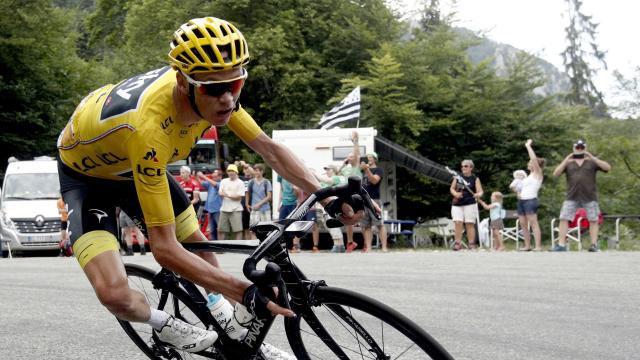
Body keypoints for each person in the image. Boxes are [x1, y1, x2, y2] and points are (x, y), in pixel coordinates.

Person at [56, 17, 362, 355]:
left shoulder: (213, 90)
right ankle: (165, 325)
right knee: (114, 294)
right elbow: (165, 249)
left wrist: (327, 194)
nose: (228, 99)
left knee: (198, 245)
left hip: (133, 163)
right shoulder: (150, 129)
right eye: (216, 89)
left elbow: (269, 150)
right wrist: (243, 290)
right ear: (183, 83)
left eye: (236, 85)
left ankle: (229, 325)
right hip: (88, 179)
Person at [552, 139, 611, 252]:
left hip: (589, 196)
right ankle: (561, 245)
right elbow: (556, 173)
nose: (579, 149)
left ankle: (594, 244)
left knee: (593, 220)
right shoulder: (569, 163)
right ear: (573, 148)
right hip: (572, 196)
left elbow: (607, 167)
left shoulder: (592, 162)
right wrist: (566, 159)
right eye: (577, 147)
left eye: (581, 147)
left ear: (585, 147)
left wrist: (592, 157)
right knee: (564, 218)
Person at [517, 139, 545, 251]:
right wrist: (518, 193)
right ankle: (527, 245)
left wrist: (528, 146)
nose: (529, 163)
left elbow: (533, 158)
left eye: (531, 162)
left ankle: (538, 246)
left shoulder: (538, 174)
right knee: (523, 224)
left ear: (536, 165)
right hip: (522, 201)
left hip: (530, 201)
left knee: (533, 223)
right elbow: (522, 188)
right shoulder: (528, 176)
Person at [449, 159, 484, 250]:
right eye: (462, 166)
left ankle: (471, 244)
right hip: (457, 203)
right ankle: (457, 244)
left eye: (465, 166)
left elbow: (480, 191)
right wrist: (456, 194)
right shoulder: (458, 177)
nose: (463, 168)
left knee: (469, 223)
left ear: (471, 168)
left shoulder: (474, 178)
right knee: (458, 222)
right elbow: (452, 189)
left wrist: (478, 194)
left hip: (470, 203)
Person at [338, 130, 362, 252]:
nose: (350, 157)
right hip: (348, 196)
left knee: (359, 219)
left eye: (351, 156)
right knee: (348, 221)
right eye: (349, 156)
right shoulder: (346, 169)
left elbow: (357, 154)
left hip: (358, 196)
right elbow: (336, 173)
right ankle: (350, 243)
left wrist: (356, 141)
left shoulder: (356, 166)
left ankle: (365, 245)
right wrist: (343, 164)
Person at [314, 164, 347, 252]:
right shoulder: (327, 181)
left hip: (334, 205)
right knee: (328, 225)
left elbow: (327, 181)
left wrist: (315, 174)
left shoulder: (337, 178)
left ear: (334, 170)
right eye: (326, 169)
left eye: (329, 169)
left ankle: (339, 245)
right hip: (327, 207)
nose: (327, 171)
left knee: (333, 224)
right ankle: (338, 245)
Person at [360, 152, 387, 252]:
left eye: (370, 157)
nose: (368, 159)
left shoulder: (378, 170)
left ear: (375, 159)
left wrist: (367, 169)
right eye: (367, 158)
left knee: (379, 224)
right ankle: (369, 248)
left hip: (374, 200)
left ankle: (384, 247)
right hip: (364, 200)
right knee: (366, 226)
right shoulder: (362, 170)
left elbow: (374, 181)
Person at [218, 164, 246, 240]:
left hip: (236, 209)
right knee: (221, 230)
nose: (230, 173)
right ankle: (220, 248)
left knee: (238, 230)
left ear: (236, 172)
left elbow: (239, 197)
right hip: (224, 209)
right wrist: (232, 195)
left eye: (232, 171)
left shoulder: (240, 183)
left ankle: (238, 249)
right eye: (229, 171)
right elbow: (220, 193)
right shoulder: (224, 181)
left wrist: (227, 195)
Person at [245, 163, 272, 239]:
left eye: (258, 171)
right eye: (255, 170)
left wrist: (260, 204)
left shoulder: (266, 182)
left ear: (262, 171)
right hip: (255, 209)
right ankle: (254, 247)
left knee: (267, 230)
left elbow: (269, 196)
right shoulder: (251, 182)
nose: (257, 172)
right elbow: (247, 193)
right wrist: (247, 204)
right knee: (253, 230)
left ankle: (265, 247)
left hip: (265, 209)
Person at [197, 169, 222, 240]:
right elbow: (201, 183)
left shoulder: (222, 183)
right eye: (213, 177)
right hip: (210, 210)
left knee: (220, 229)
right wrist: (197, 176)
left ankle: (221, 246)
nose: (213, 178)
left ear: (220, 177)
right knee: (212, 230)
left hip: (218, 210)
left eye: (215, 177)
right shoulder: (210, 184)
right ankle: (215, 247)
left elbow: (214, 184)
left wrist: (203, 176)